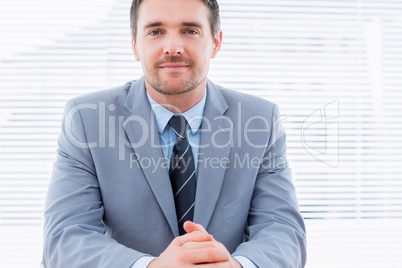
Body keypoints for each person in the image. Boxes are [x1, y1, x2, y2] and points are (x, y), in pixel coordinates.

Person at [42, 0, 307, 267]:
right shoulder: (87, 120)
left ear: (216, 42)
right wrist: (152, 266)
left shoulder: (260, 120)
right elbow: (65, 237)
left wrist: (236, 266)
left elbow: (283, 230)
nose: (173, 48)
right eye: (155, 31)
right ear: (135, 45)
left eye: (190, 30)